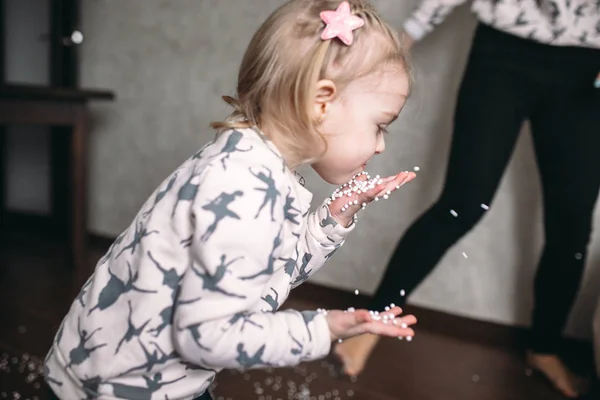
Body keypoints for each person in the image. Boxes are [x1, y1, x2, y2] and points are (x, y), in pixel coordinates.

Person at [43, 1, 420, 399]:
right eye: (380, 126)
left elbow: (268, 278)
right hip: (121, 387)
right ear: (320, 102)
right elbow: (207, 337)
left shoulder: (252, 161)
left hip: (138, 375)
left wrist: (334, 217)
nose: (380, 146)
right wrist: (322, 329)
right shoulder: (244, 190)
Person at [334, 0, 600, 397]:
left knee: (572, 227)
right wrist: (400, 43)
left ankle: (544, 347)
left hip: (586, 71)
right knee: (461, 206)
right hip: (502, 54)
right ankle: (373, 320)